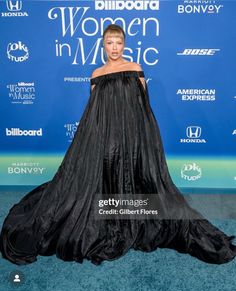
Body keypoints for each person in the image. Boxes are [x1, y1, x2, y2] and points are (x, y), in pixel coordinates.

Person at [0, 24, 236, 266]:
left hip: (132, 138)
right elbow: (95, 113)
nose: (114, 48)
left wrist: (144, 142)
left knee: (140, 180)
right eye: (109, 43)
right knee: (101, 180)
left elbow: (143, 107)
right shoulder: (96, 74)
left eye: (118, 43)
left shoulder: (135, 68)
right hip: (105, 139)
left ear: (124, 44)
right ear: (103, 45)